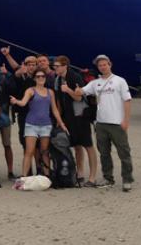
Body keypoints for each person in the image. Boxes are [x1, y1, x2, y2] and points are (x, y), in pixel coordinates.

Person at [75, 55, 133, 191]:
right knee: (104, 153)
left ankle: (127, 179)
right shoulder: (96, 83)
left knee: (124, 152)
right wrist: (75, 90)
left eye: (104, 64)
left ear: (110, 64)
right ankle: (108, 178)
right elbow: (81, 92)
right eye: (100, 65)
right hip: (101, 123)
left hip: (117, 123)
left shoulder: (120, 81)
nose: (102, 67)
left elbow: (127, 101)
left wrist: (126, 120)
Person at [10, 71, 67, 178]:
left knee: (45, 151)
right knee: (29, 151)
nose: (41, 78)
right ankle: (24, 176)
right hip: (31, 124)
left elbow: (54, 110)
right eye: (38, 76)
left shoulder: (50, 92)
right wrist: (16, 101)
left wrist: (61, 124)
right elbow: (23, 103)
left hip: (46, 125)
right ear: (34, 79)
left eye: (43, 76)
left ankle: (47, 175)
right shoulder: (31, 90)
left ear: (45, 78)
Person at [53, 55, 98, 187]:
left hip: (81, 116)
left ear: (64, 66)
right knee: (77, 146)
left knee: (88, 146)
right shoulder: (58, 79)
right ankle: (80, 174)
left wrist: (68, 90)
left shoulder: (75, 77)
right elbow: (59, 101)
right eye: (54, 66)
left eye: (57, 66)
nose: (55, 68)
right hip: (68, 118)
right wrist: (60, 119)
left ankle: (92, 177)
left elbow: (79, 98)